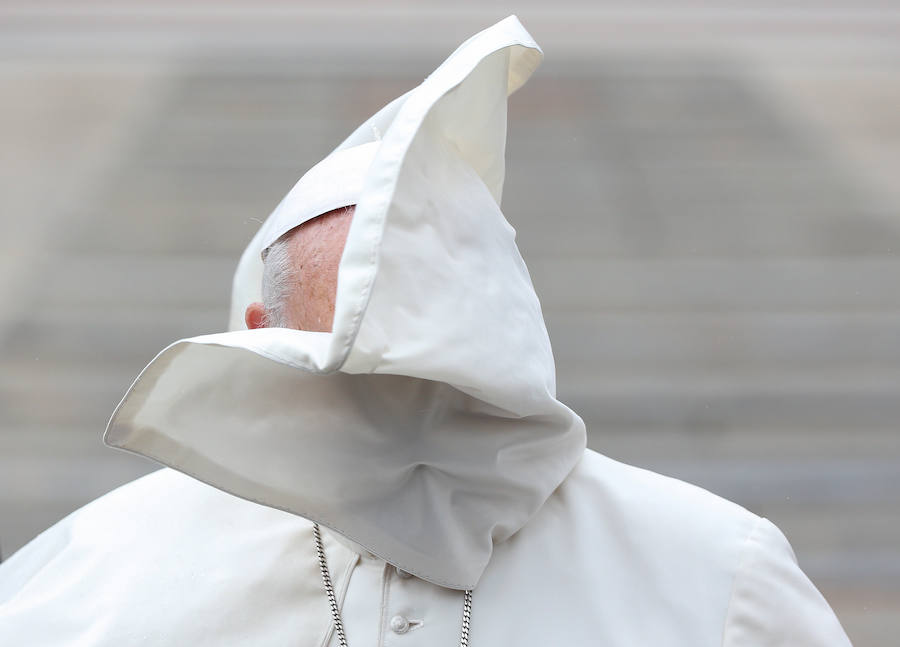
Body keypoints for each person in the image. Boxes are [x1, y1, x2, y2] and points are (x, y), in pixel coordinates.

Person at [0, 16, 851, 646]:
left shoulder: (719, 576)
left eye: (440, 371)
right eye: (359, 372)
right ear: (262, 338)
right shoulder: (99, 575)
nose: (407, 417)